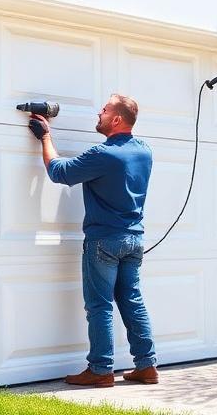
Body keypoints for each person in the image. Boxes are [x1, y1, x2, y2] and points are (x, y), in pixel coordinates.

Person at [28, 94, 158, 388]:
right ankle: (147, 366)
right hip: (134, 238)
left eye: (104, 110)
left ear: (116, 120)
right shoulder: (145, 151)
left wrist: (46, 137)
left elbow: (58, 172)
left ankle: (100, 370)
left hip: (105, 241)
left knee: (99, 306)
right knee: (132, 300)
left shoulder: (103, 154)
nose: (98, 114)